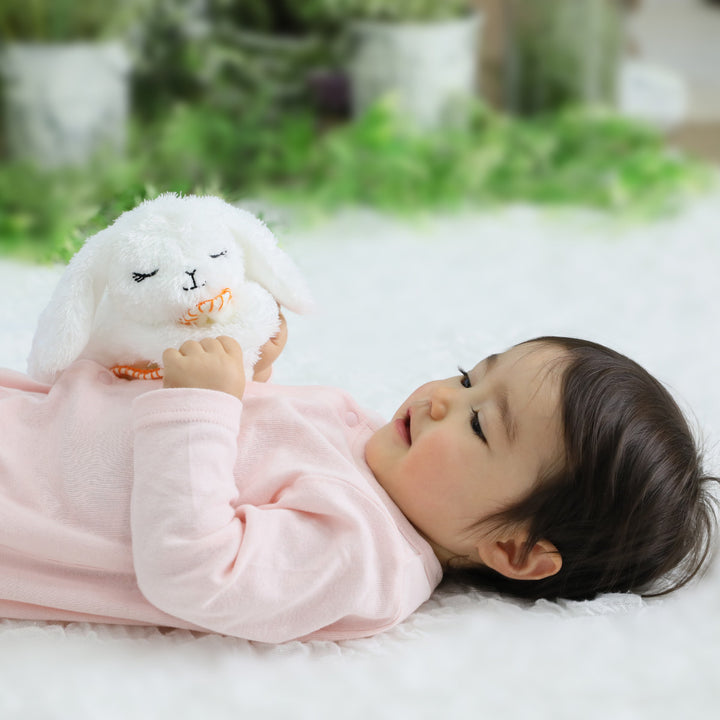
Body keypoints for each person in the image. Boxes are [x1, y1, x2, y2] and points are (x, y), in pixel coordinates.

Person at [0, 316, 716, 643]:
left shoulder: (366, 556)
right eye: (469, 377)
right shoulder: (374, 448)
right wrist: (247, 372)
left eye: (478, 424)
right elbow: (259, 445)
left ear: (515, 551)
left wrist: (202, 407)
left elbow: (197, 568)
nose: (442, 398)